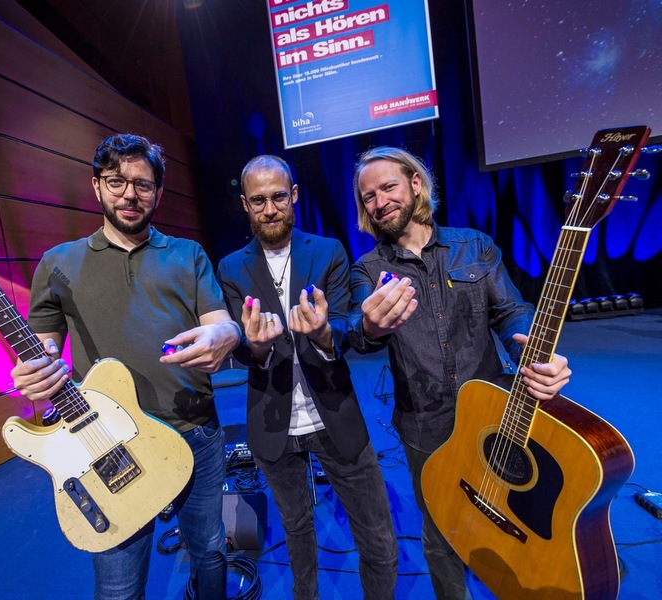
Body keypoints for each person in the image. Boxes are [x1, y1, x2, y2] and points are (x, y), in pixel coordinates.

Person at [9, 133, 240, 600]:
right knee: (118, 587)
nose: (130, 195)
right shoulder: (57, 263)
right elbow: (42, 350)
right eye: (116, 182)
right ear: (95, 186)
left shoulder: (188, 254)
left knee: (211, 550)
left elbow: (220, 324)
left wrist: (226, 334)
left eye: (143, 184)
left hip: (195, 431)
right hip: (107, 446)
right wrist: (35, 373)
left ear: (160, 191)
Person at [347, 146, 572, 600]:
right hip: (424, 426)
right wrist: (370, 325)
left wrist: (530, 345)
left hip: (492, 413)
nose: (379, 201)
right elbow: (359, 332)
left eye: (388, 187)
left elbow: (510, 310)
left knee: (518, 516)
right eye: (368, 196)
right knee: (441, 534)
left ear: (415, 184)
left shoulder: (475, 245)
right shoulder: (368, 271)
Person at [216, 155, 398, 600]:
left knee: (378, 539)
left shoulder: (328, 251)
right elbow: (241, 345)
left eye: (279, 197)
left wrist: (322, 333)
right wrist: (255, 346)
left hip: (334, 414)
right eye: (258, 201)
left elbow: (344, 327)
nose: (270, 209)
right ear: (244, 205)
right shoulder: (230, 268)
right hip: (273, 422)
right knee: (297, 532)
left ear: (294, 195)